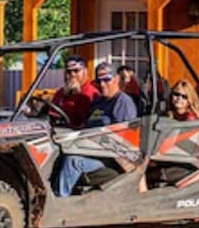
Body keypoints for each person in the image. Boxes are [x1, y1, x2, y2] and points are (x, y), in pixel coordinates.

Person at [55, 62, 138, 196]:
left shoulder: (122, 102)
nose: (102, 84)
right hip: (89, 150)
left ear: (116, 79)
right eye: (99, 81)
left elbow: (125, 140)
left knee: (73, 161)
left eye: (106, 80)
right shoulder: (99, 102)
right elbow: (85, 126)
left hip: (109, 158)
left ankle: (59, 202)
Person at [50, 55, 100, 128]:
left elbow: (88, 124)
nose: (72, 74)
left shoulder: (91, 94)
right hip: (55, 129)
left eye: (76, 71)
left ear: (85, 72)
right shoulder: (61, 92)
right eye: (69, 71)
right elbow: (51, 112)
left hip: (76, 134)